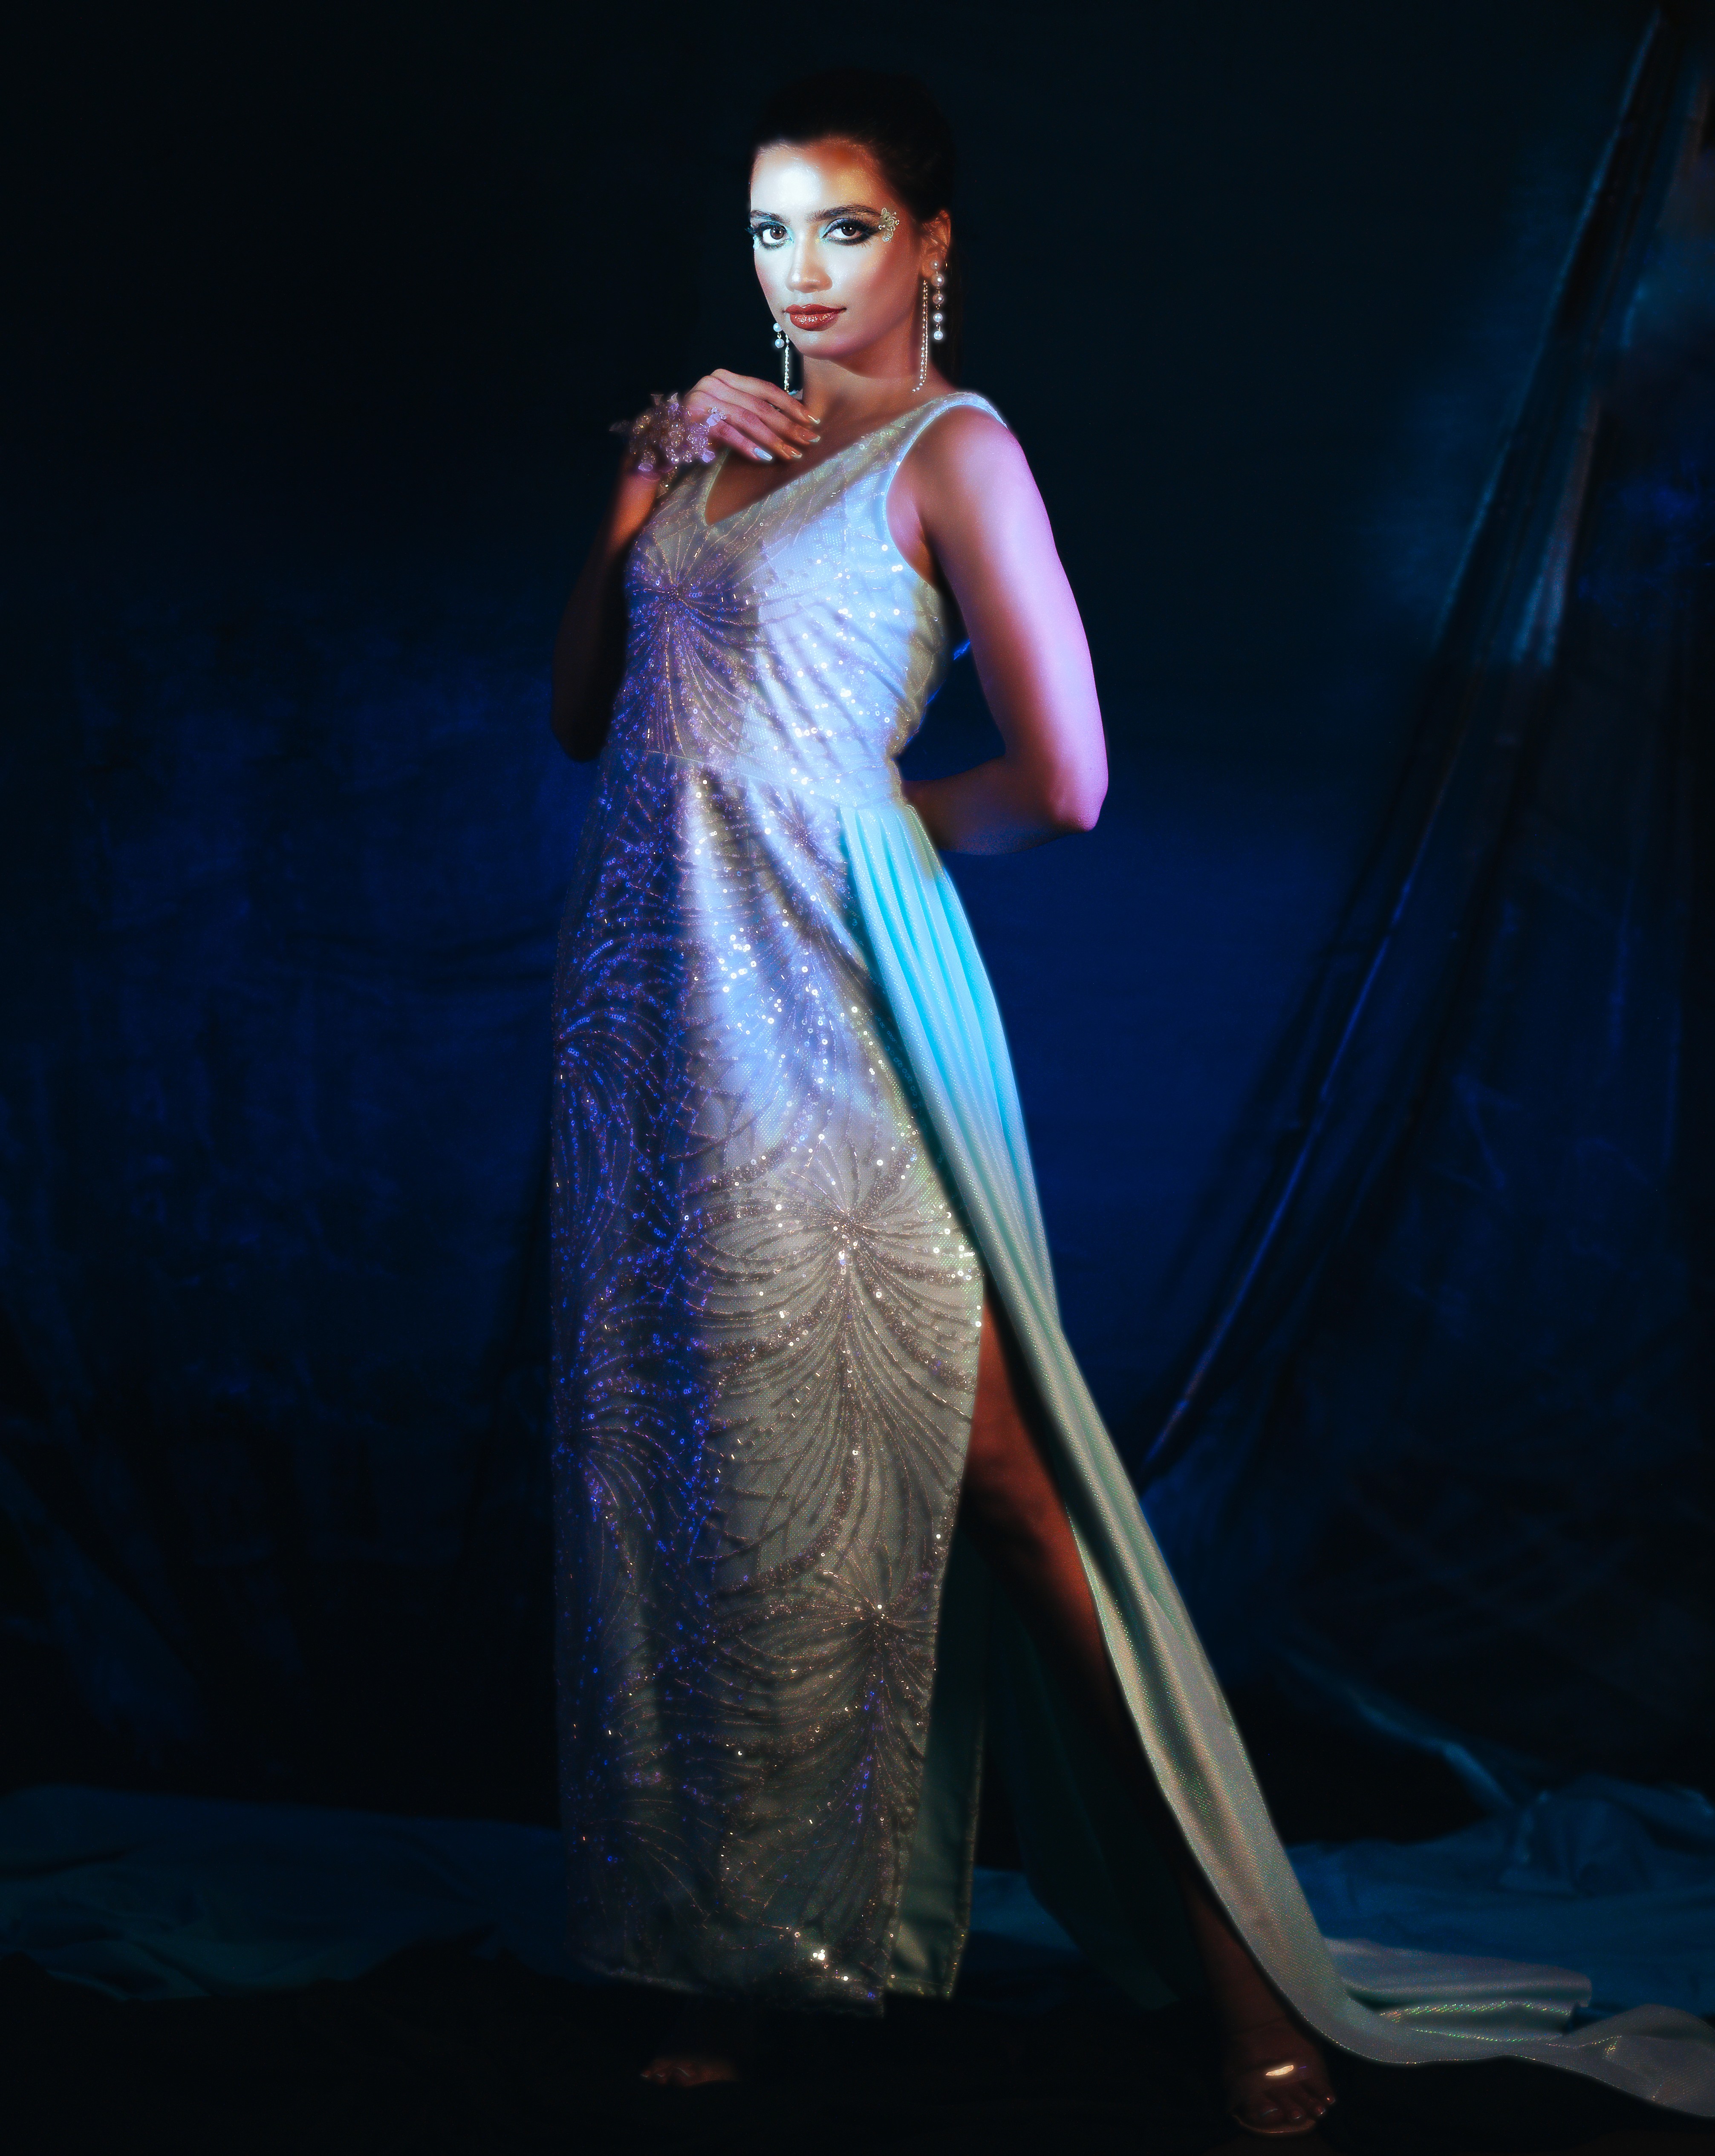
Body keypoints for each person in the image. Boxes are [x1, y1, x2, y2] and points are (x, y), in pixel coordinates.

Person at [548, 67, 1715, 2141]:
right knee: (705, 1472)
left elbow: (1066, 778)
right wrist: (639, 474)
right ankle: (726, 1950)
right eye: (769, 231)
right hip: (651, 1033)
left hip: (829, 1020)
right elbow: (585, 716)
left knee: (1003, 1488)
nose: (800, 271)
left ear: (928, 247)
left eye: (842, 227)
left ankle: (1237, 1968)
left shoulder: (952, 450)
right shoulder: (701, 452)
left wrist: (854, 832)